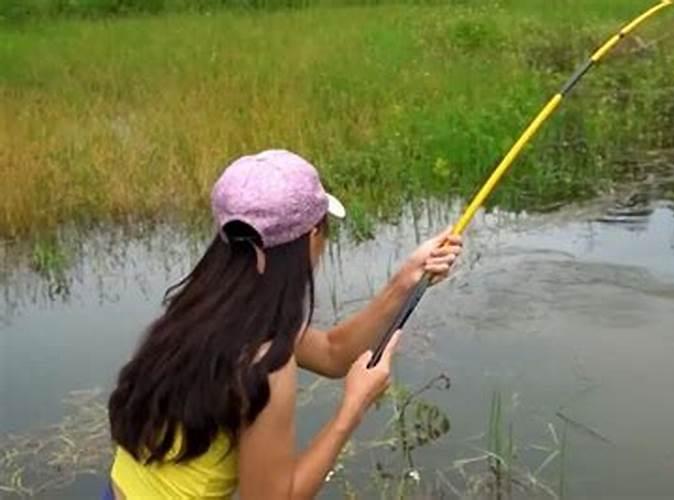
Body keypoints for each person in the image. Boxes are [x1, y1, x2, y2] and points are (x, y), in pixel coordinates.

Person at [105, 149, 463, 499]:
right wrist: (352, 408)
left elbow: (332, 353)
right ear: (311, 237)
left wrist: (405, 280)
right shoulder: (264, 364)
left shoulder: (205, 307)